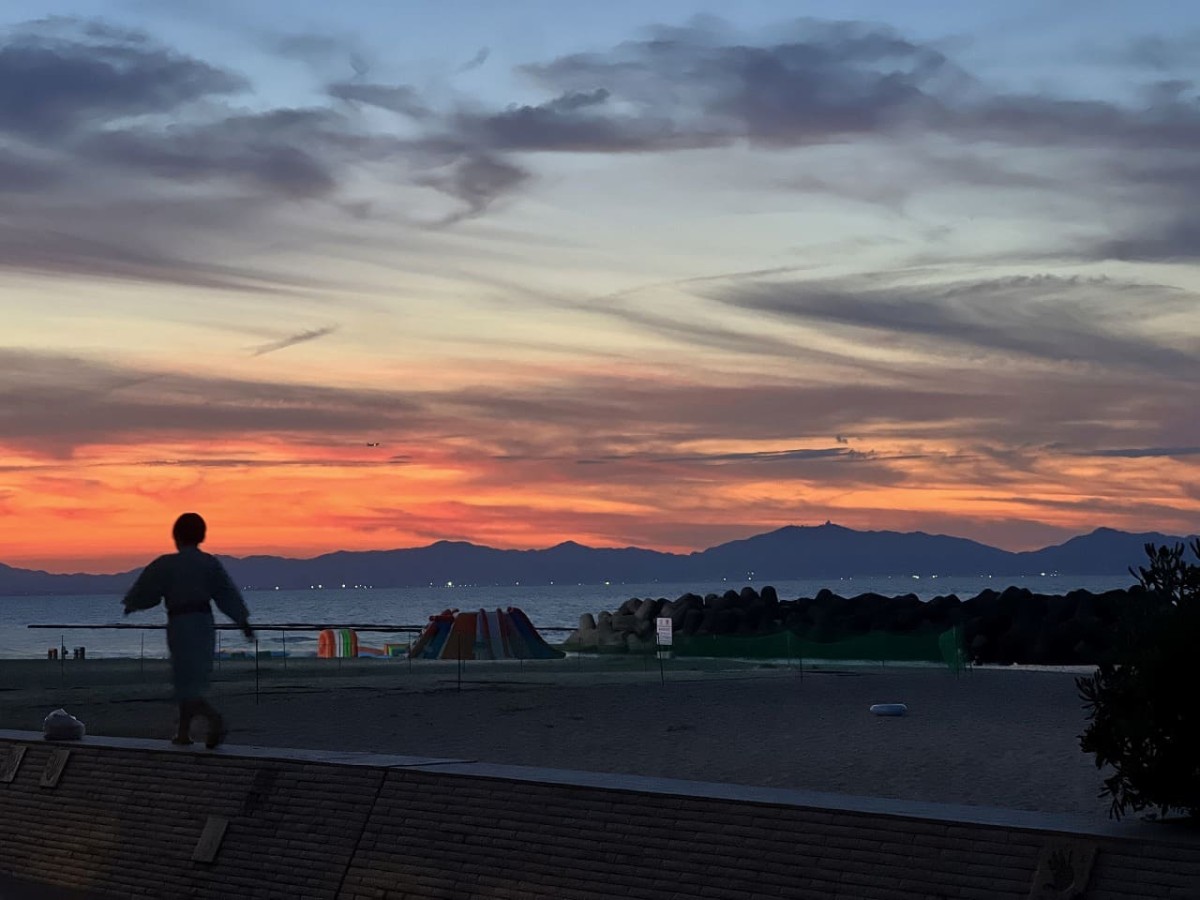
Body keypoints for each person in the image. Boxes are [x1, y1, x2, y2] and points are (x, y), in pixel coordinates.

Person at [122, 513, 254, 748]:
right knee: (191, 679)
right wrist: (242, 622)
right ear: (201, 535)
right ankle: (183, 732)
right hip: (204, 623)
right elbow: (227, 594)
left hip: (180, 624)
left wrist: (132, 603)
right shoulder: (209, 563)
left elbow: (147, 589)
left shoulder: (166, 564)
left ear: (176, 536)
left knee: (185, 680)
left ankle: (213, 719)